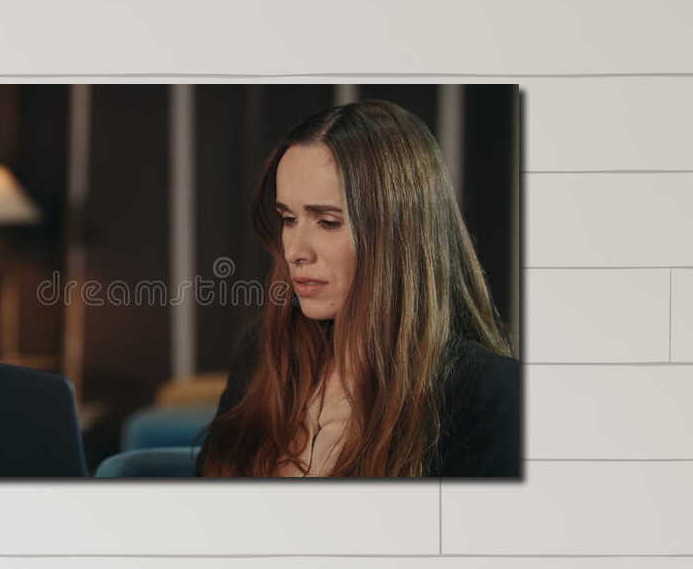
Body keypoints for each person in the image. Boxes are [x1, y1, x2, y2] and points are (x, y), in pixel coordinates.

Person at [197, 99, 519, 478]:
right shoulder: (263, 350)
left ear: (398, 233)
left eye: (328, 222)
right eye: (288, 218)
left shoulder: (490, 393)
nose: (294, 251)